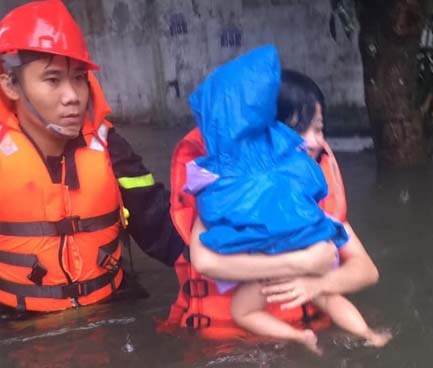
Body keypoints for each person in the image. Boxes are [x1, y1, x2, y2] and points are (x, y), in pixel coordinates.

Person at [165, 67, 391, 349]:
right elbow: (205, 261)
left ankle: (362, 335)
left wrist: (314, 284)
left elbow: (367, 270)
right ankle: (359, 335)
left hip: (291, 315)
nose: (314, 141)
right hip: (230, 344)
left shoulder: (316, 189)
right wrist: (301, 265)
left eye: (319, 129)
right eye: (300, 129)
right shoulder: (231, 187)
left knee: (319, 296)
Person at [0, 0, 184, 313]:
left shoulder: (110, 147)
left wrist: (229, 261)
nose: (72, 96)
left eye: (79, 78)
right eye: (53, 80)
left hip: (109, 304)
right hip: (17, 317)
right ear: (11, 86)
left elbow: (162, 226)